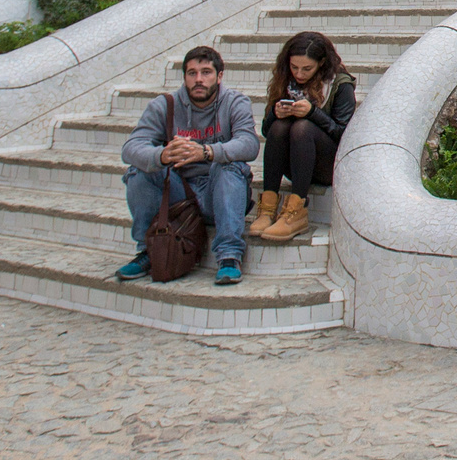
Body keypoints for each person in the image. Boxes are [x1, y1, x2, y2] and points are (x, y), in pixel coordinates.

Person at [116, 46, 258, 285]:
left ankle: (229, 256)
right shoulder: (165, 105)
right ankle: (149, 250)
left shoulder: (235, 102)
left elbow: (249, 145)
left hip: (219, 192)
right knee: (138, 171)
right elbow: (130, 148)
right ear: (184, 77)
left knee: (230, 166)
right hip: (180, 195)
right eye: (192, 73)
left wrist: (207, 152)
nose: (199, 80)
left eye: (206, 72)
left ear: (219, 75)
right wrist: (162, 155)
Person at [254, 32, 357, 242]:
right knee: (279, 127)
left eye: (306, 69)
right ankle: (268, 207)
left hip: (327, 163)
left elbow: (344, 135)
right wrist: (275, 114)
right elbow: (267, 133)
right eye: (294, 67)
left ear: (321, 63)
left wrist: (313, 113)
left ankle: (296, 210)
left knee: (303, 127)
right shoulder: (286, 80)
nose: (299, 74)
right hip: (295, 162)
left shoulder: (340, 84)